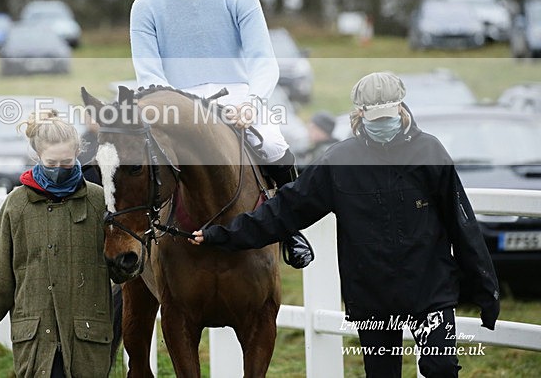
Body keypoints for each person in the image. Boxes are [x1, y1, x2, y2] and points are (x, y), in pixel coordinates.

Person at [191, 72, 500, 378]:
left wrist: (486, 292)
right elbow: (283, 211)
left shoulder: (431, 153)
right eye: (375, 118)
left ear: (402, 108)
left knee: (441, 368)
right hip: (373, 297)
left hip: (431, 291)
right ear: (360, 114)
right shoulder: (338, 163)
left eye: (387, 116)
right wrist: (221, 235)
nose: (383, 125)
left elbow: (463, 226)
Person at [130, 0, 311, 267]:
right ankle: (136, 234)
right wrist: (181, 110)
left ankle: (290, 230)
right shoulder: (145, 6)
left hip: (237, 97)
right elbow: (149, 75)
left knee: (274, 144)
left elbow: (263, 60)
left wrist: (253, 102)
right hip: (178, 103)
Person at [0, 109, 113, 378]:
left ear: (78, 155)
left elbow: (122, 266)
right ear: (37, 156)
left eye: (67, 162)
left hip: (88, 342)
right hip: (37, 343)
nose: (59, 170)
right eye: (51, 163)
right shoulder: (17, 205)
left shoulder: (99, 202)